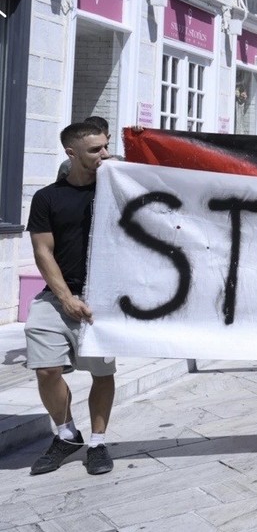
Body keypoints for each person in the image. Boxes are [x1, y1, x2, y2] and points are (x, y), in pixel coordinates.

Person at [25, 121, 115, 476]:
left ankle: (97, 442)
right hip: (56, 296)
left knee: (101, 373)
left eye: (106, 146)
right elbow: (42, 251)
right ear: (71, 153)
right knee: (46, 370)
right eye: (95, 150)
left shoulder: (115, 190)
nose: (104, 154)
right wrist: (65, 298)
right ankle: (66, 434)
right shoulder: (47, 198)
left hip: (103, 300)